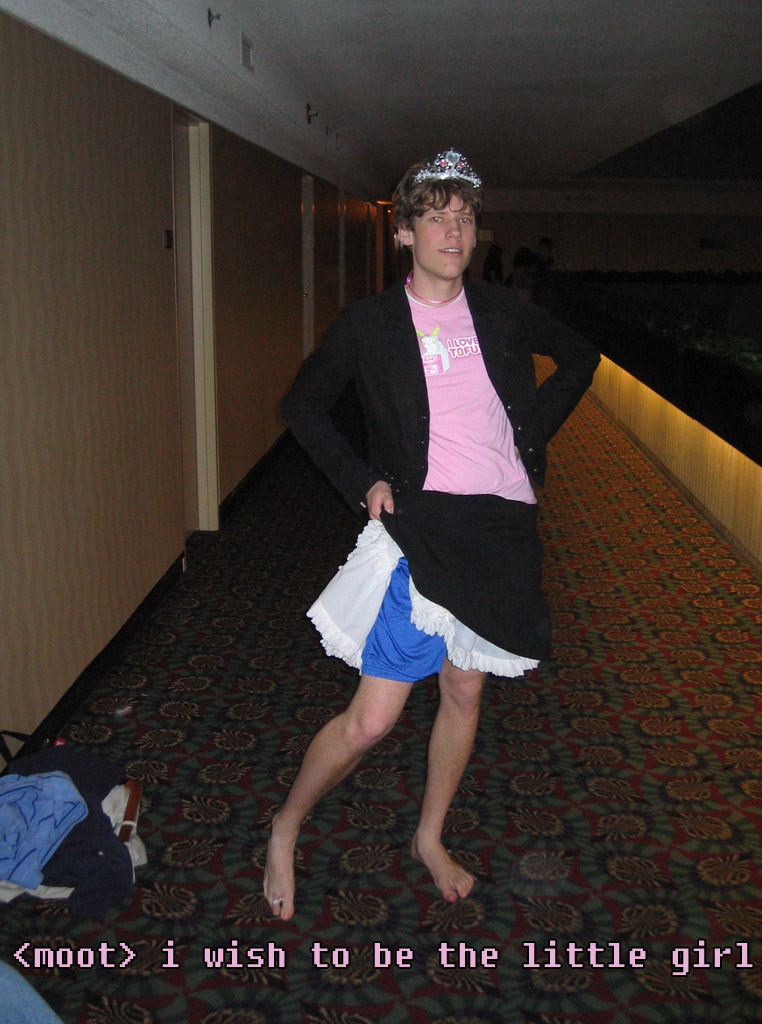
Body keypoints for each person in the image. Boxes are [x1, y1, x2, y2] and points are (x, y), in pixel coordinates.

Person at [264, 149, 600, 921]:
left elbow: (580, 356)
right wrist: (363, 481)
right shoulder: (372, 324)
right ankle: (286, 824)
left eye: (466, 217)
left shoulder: (501, 311)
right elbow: (303, 406)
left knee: (464, 688)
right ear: (405, 232)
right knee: (373, 720)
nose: (454, 231)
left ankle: (429, 836)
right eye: (436, 216)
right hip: (424, 532)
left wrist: (529, 432)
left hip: (500, 530)